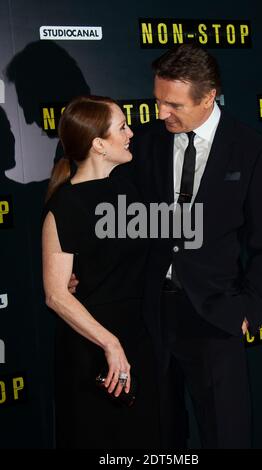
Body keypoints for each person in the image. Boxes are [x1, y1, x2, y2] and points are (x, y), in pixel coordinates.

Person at [68, 45, 262, 448]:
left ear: (208, 97)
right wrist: (81, 267)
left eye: (173, 104)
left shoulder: (253, 150)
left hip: (215, 318)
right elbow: (112, 215)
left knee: (226, 435)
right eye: (157, 101)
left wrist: (249, 309)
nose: (161, 113)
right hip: (148, 314)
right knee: (161, 435)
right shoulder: (144, 142)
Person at [42, 95, 161, 449]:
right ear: (98, 144)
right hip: (93, 348)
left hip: (138, 340)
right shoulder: (64, 205)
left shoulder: (129, 188)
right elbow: (56, 294)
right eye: (122, 127)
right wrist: (110, 344)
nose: (131, 133)